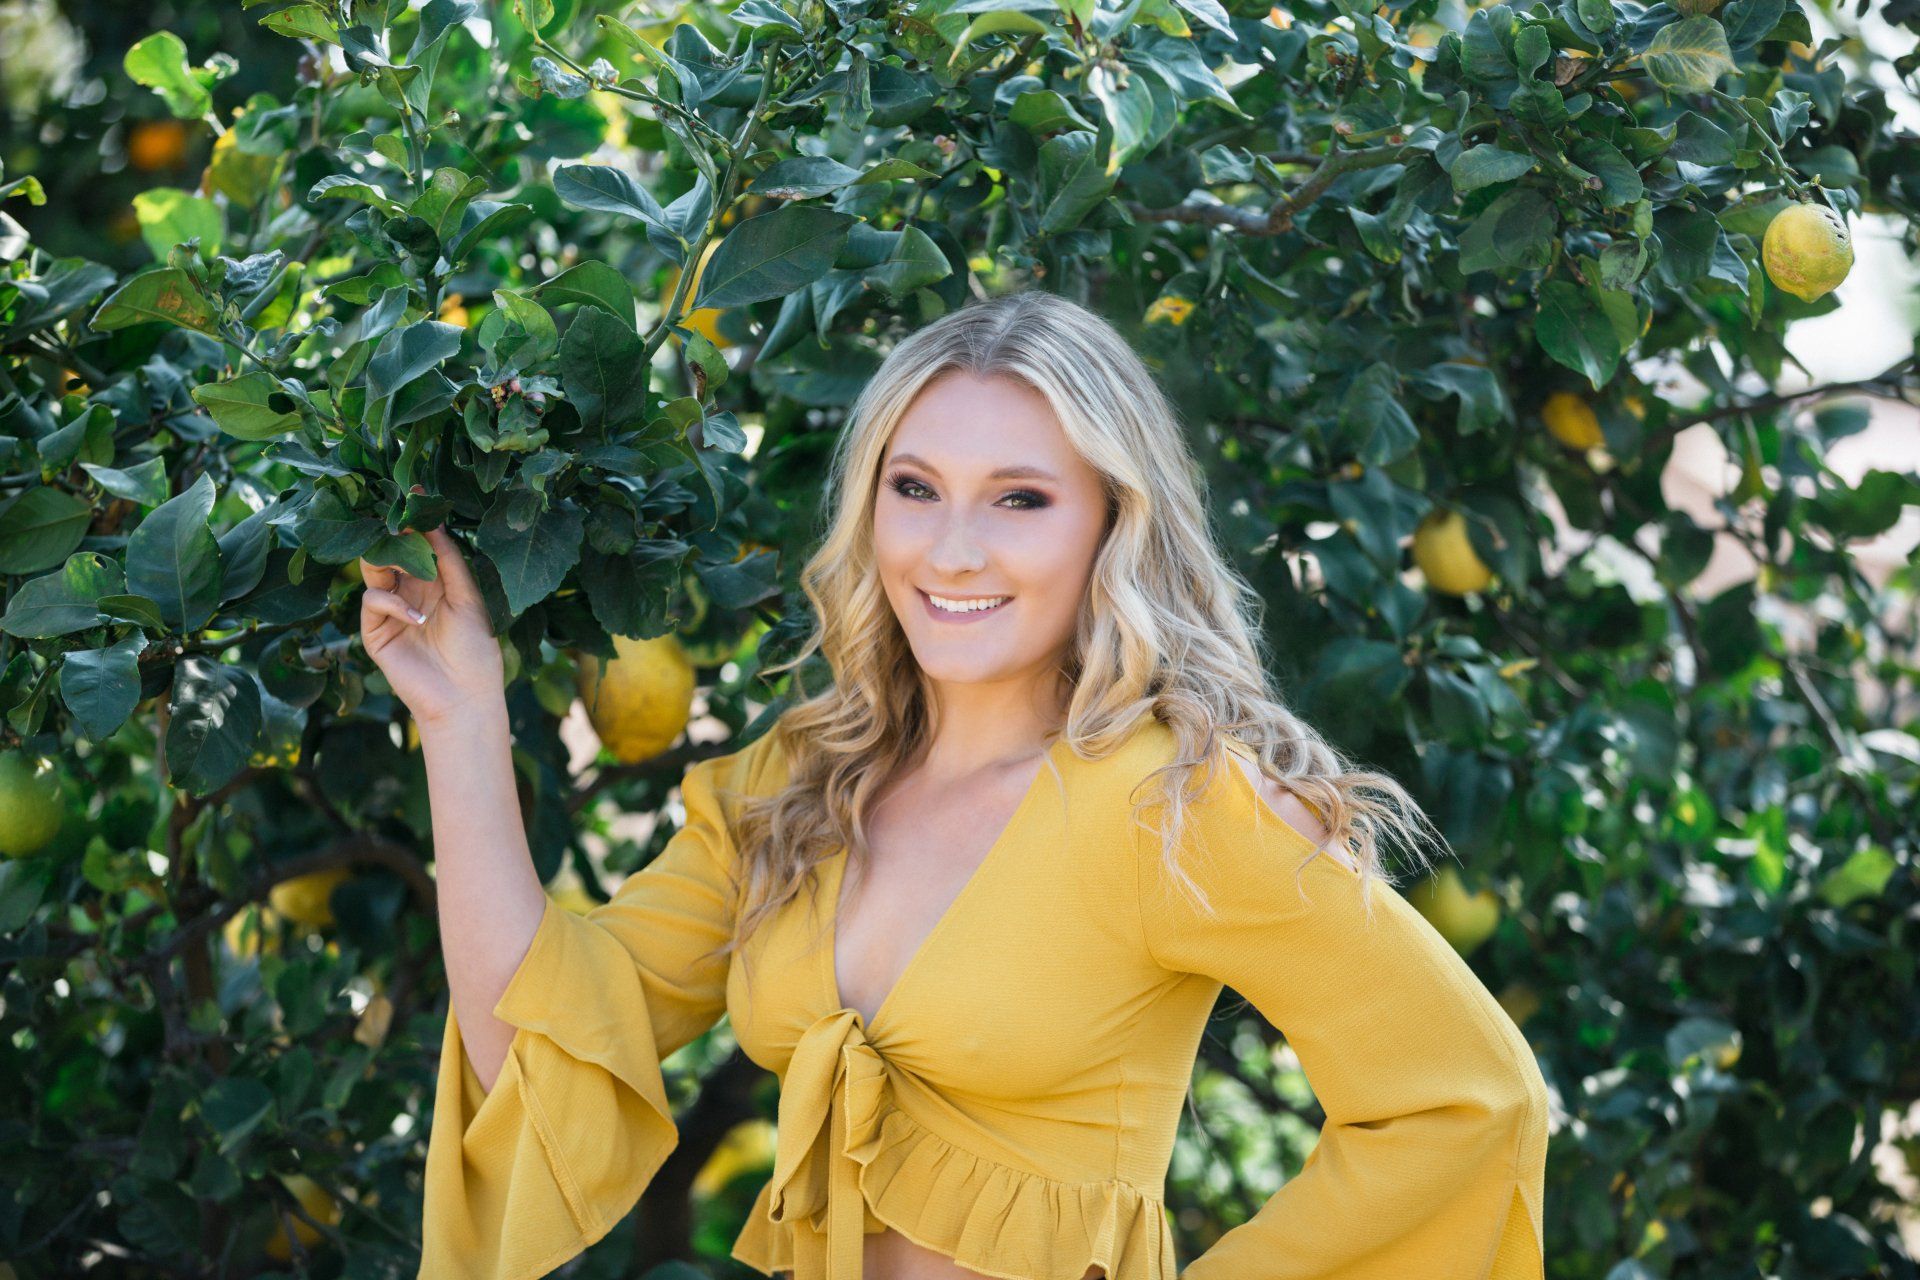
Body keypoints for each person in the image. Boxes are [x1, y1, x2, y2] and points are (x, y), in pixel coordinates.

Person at [362, 290, 1551, 1280]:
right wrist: (462, 715)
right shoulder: (796, 784)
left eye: (1020, 498)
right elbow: (540, 1035)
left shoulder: (1177, 802)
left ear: (1110, 523)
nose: (954, 549)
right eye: (915, 487)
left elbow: (1467, 1100)